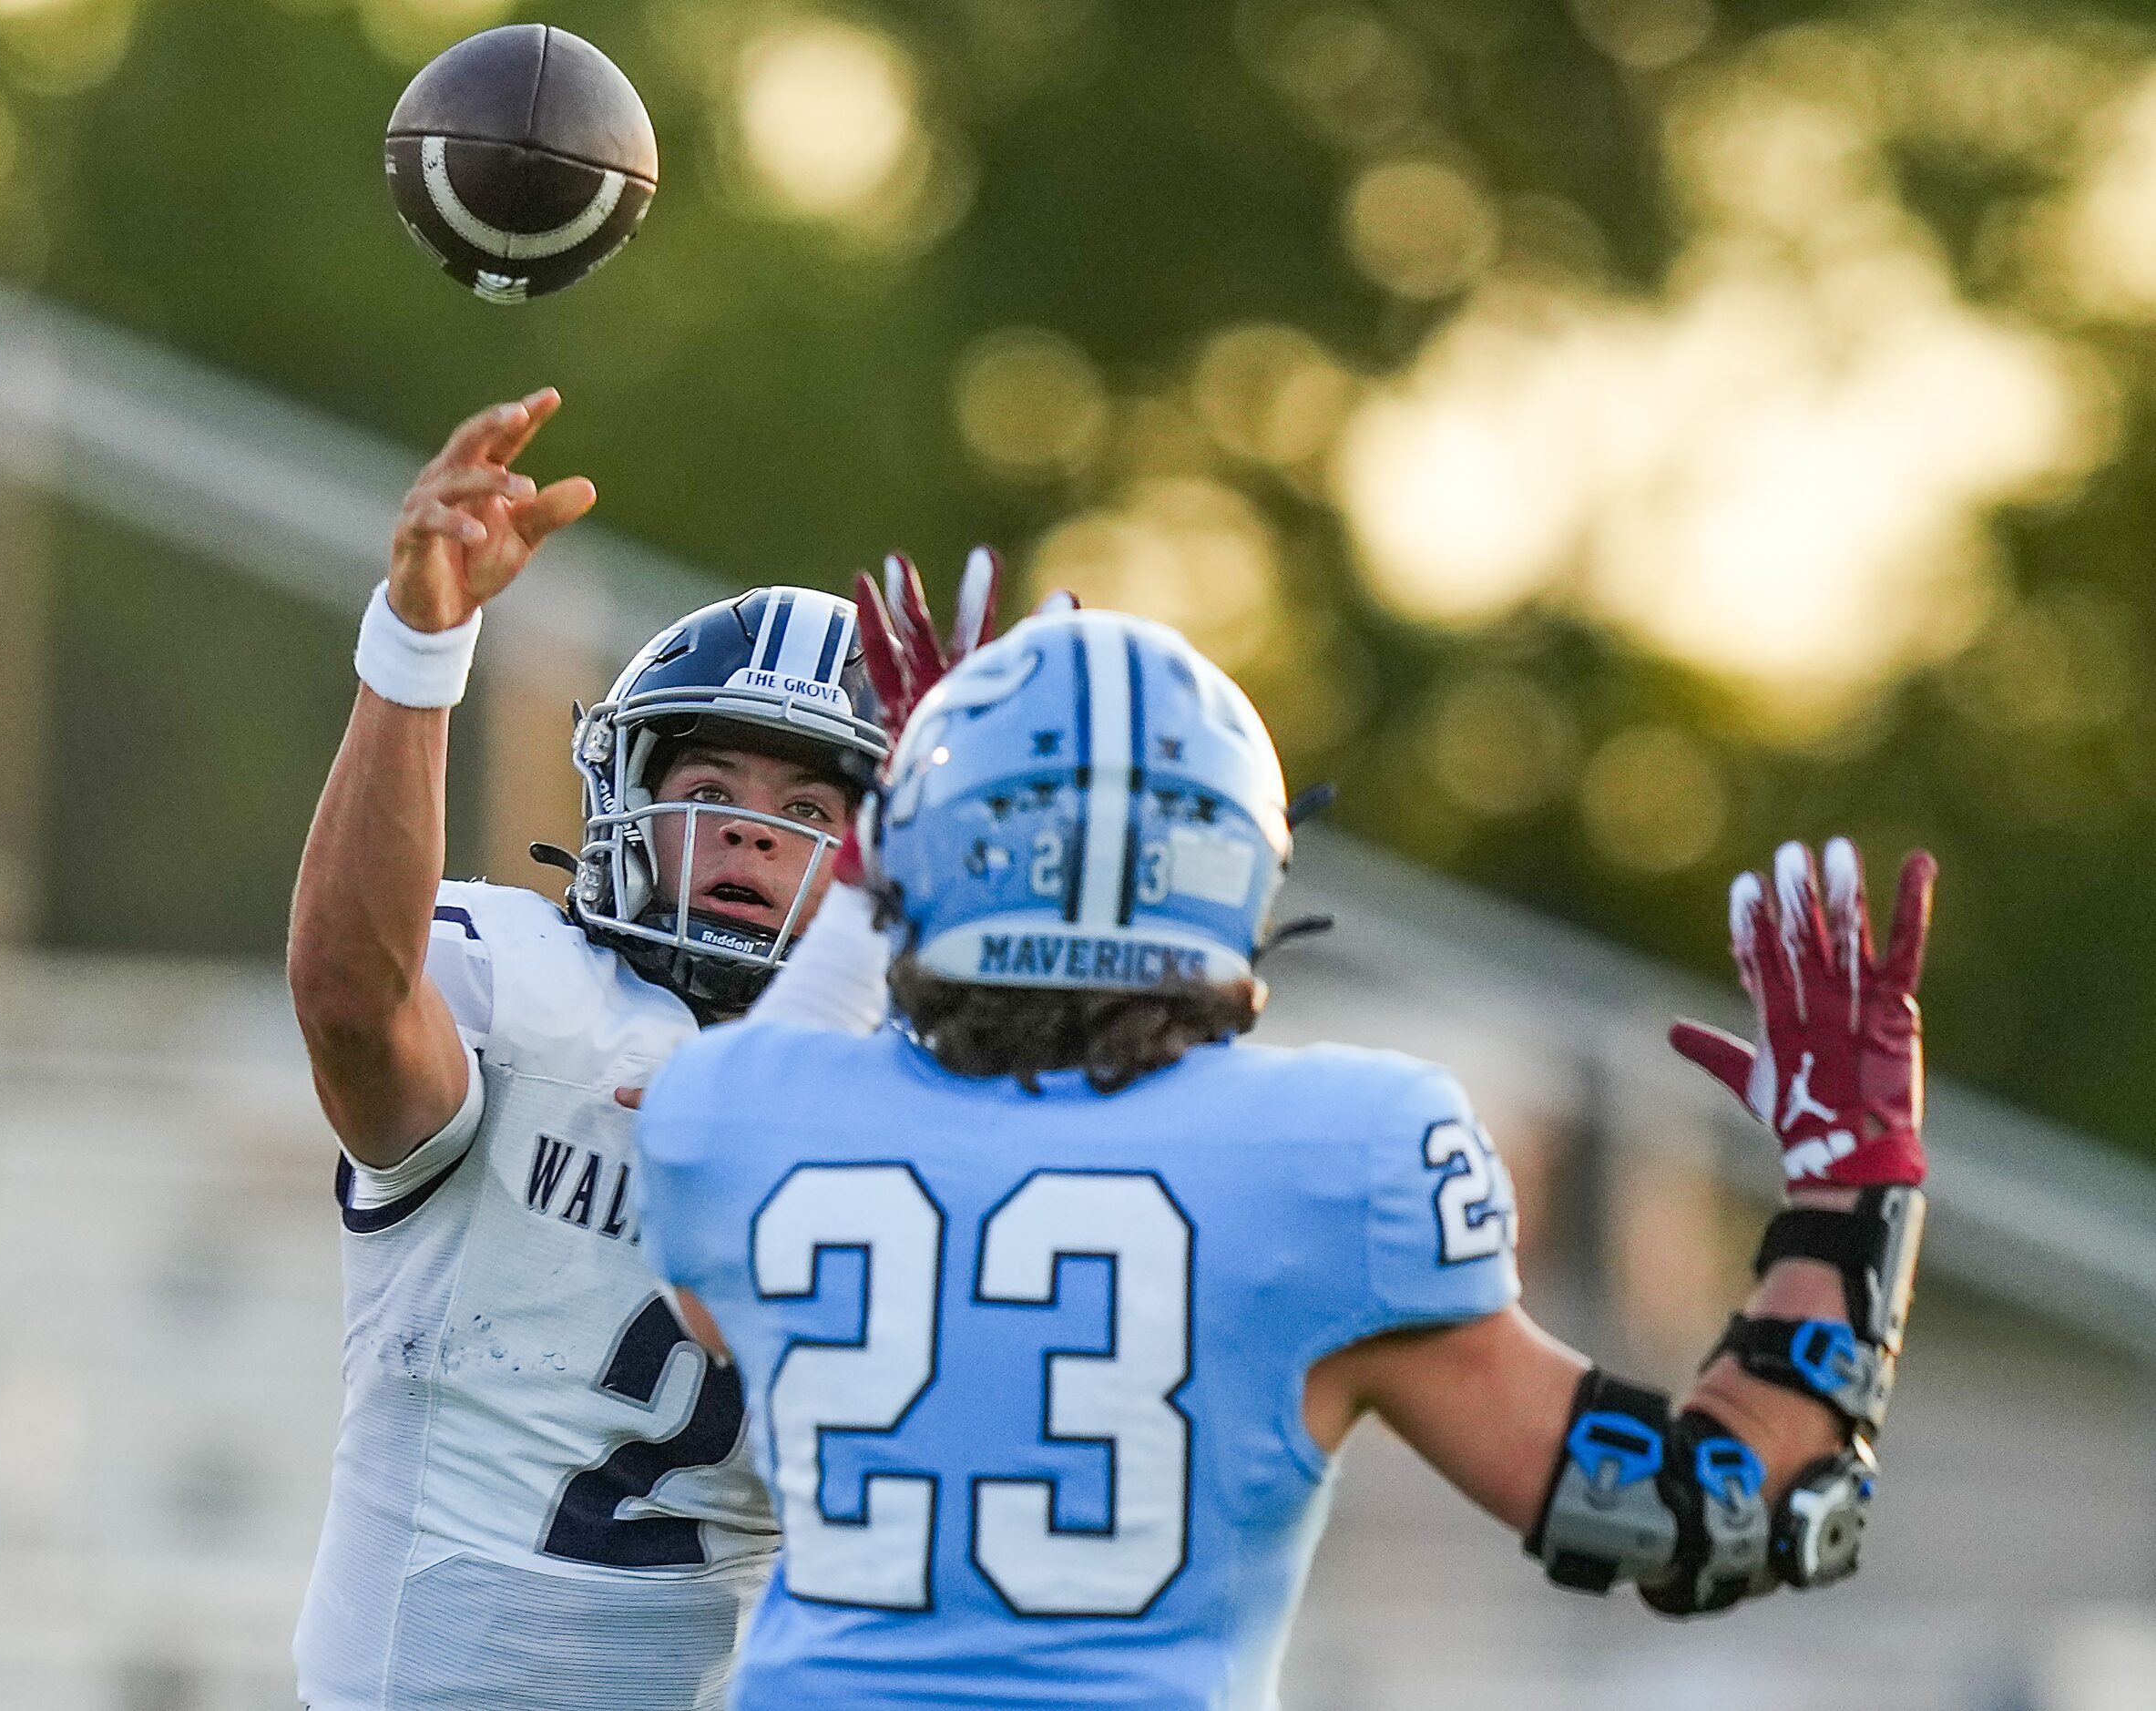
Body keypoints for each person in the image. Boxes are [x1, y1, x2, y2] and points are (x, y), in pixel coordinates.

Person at [632, 604, 1933, 1709]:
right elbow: (1700, 1518)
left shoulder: (733, 1117)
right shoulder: (1335, 1159)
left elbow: (760, 1236)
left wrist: (900, 840)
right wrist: (1850, 1185)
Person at [284, 389, 963, 1710]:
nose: (754, 836)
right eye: (708, 793)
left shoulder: (926, 1107)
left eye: (811, 806)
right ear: (626, 804)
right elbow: (352, 1002)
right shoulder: (524, 989)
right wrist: (419, 644)